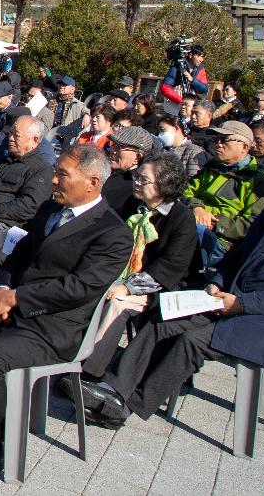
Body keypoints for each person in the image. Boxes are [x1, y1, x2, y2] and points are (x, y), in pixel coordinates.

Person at [0, 144, 133, 474]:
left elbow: (78, 289)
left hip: (53, 328)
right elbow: (17, 256)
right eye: (55, 172)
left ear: (92, 182)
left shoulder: (113, 233)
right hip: (13, 307)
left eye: (63, 175)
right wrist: (3, 288)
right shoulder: (50, 209)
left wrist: (16, 298)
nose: (54, 180)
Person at [78, 155, 264, 429]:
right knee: (161, 318)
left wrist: (240, 304)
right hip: (230, 301)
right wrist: (218, 282)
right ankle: (113, 387)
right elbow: (236, 257)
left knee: (190, 339)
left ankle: (128, 406)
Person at [64, 152, 202, 384]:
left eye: (144, 180)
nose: (136, 182)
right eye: (137, 176)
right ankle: (65, 349)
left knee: (118, 303)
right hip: (121, 274)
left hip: (158, 287)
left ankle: (87, 371)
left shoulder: (181, 218)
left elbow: (171, 268)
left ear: (165, 184)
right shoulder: (134, 205)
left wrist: (127, 288)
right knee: (82, 283)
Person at [183, 121, 264, 268]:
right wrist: (197, 208)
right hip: (194, 223)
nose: (218, 144)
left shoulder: (257, 180)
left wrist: (214, 223)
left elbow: (253, 226)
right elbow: (186, 192)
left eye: (224, 140)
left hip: (223, 242)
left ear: (244, 147)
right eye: (216, 140)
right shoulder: (212, 167)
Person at [0, 116, 54, 230]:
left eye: (16, 135)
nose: (10, 138)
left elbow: (29, 207)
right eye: (10, 134)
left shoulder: (41, 169)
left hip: (2, 224)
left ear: (34, 140)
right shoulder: (3, 160)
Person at [102, 126, 155, 218]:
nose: (112, 150)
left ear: (137, 157)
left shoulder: (137, 189)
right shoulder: (113, 174)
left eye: (119, 147)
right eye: (113, 144)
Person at [156, 113, 208, 179]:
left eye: (163, 130)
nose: (160, 134)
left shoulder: (194, 151)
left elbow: (192, 180)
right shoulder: (162, 150)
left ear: (176, 129)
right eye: (159, 131)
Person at [51, 76, 89, 148]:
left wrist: (87, 115)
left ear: (72, 89)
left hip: (64, 137)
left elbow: (86, 110)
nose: (62, 86)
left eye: (65, 85)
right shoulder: (52, 100)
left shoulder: (76, 103)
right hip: (50, 132)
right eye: (61, 84)